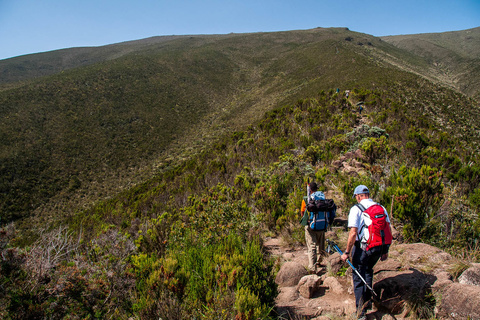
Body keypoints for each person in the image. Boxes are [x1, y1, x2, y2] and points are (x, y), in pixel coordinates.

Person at [341, 185, 391, 320]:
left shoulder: (356, 209)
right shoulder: (381, 207)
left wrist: (346, 252)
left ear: (358, 196)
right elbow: (387, 228)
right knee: (368, 271)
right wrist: (385, 251)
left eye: (356, 197)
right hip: (378, 247)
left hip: (362, 248)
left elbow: (353, 233)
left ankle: (360, 312)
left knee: (358, 277)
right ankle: (367, 302)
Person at [300, 182, 327, 273]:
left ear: (310, 190)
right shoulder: (322, 197)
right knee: (321, 244)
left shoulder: (307, 199)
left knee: (312, 245)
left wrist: (306, 221)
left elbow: (302, 212)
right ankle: (319, 261)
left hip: (311, 225)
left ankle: (312, 267)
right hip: (322, 224)